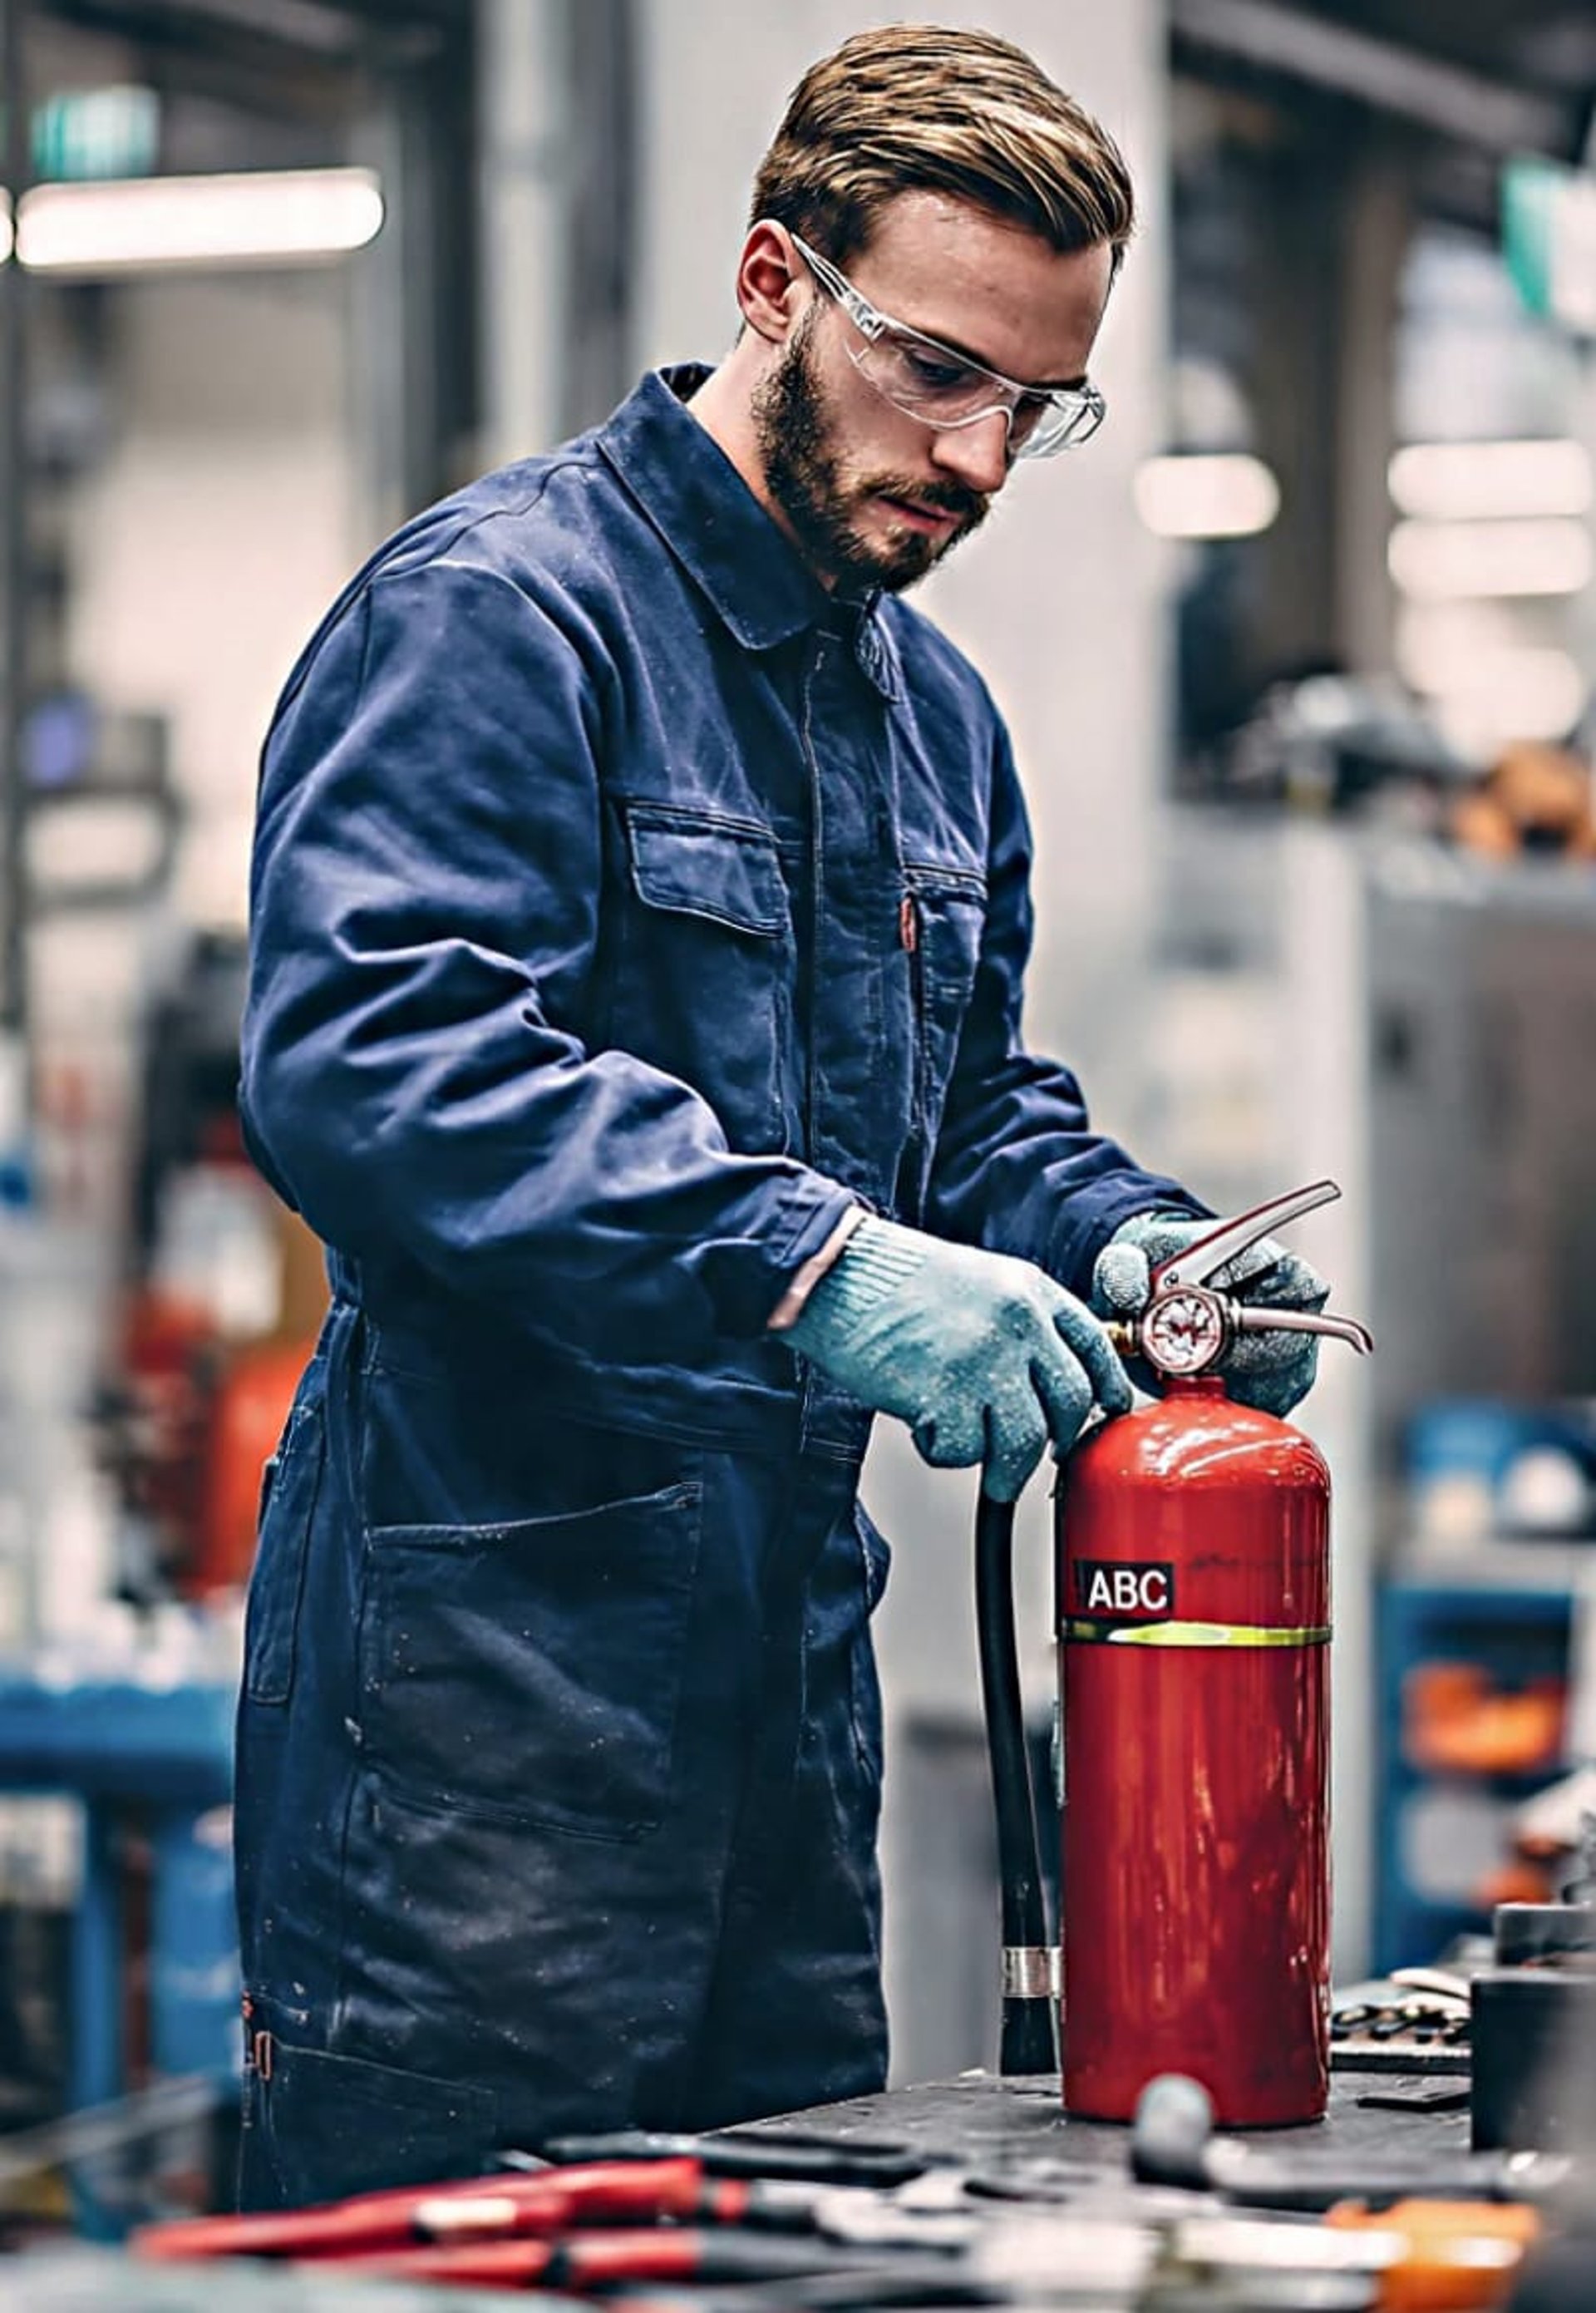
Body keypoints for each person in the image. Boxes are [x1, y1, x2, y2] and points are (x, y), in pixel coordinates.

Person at [233, 22, 1329, 2210]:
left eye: (1037, 402)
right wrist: (811, 1266)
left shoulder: (933, 719)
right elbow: (377, 1058)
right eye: (938, 369)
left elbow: (973, 1112)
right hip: (474, 1753)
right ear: (769, 284)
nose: (981, 456)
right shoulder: (504, 620)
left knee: (797, 2256)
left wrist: (1122, 1235)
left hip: (780, 1736)